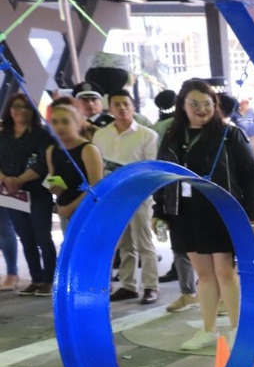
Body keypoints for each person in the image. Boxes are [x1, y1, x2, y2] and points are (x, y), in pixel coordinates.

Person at [155, 81, 254, 350]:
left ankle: (240, 331)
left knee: (224, 271)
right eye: (194, 104)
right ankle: (208, 330)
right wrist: (160, 213)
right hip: (185, 214)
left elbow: (250, 177)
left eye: (207, 103)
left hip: (221, 211)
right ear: (182, 106)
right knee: (203, 274)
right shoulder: (171, 136)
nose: (202, 109)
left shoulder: (230, 134)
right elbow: (161, 177)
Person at [93, 89, 161, 305]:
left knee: (144, 242)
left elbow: (152, 167)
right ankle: (129, 286)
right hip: (113, 196)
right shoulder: (101, 135)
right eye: (117, 104)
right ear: (110, 108)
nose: (122, 108)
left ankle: (151, 286)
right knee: (123, 243)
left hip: (139, 195)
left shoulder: (147, 135)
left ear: (133, 107)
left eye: (126, 104)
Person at [0, 93, 55, 294]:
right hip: (11, 195)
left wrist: (20, 180)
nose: (20, 111)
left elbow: (43, 164)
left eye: (25, 107)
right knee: (25, 237)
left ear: (32, 111)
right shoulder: (3, 134)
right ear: (9, 110)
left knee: (42, 236)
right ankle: (36, 278)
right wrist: (5, 179)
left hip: (38, 193)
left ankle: (49, 279)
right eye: (16, 106)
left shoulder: (43, 135)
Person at [44, 103, 103, 242]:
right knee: (70, 252)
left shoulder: (88, 150)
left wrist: (71, 207)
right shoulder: (51, 150)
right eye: (55, 122)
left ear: (77, 124)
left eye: (65, 121)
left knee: (87, 251)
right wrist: (54, 189)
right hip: (65, 210)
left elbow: (96, 186)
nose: (59, 126)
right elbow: (54, 179)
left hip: (88, 210)